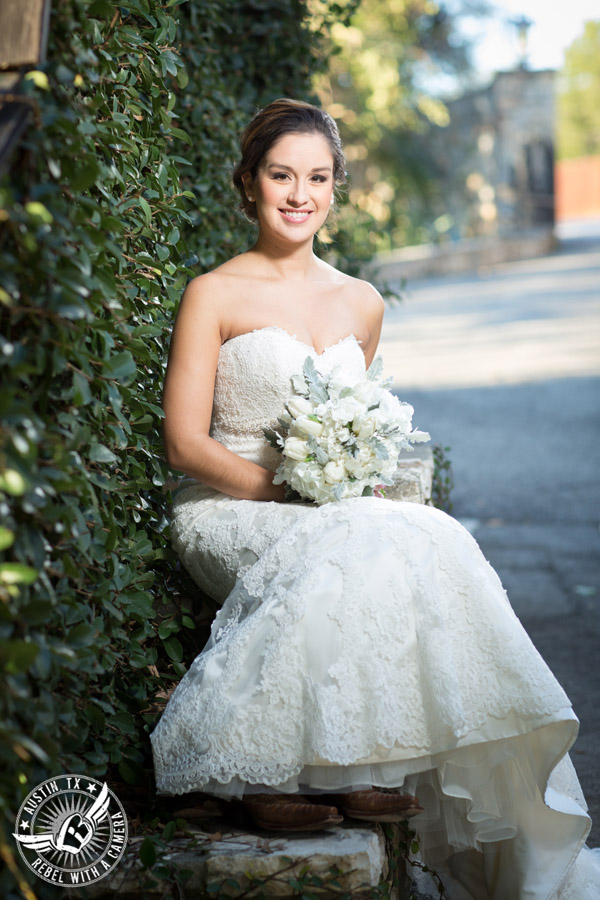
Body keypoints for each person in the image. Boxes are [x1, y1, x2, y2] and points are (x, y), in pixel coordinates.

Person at [151, 99, 600, 898]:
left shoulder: (361, 302)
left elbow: (358, 431)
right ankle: (259, 776)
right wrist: (282, 487)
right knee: (354, 543)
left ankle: (365, 761)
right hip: (226, 504)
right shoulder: (211, 294)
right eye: (282, 175)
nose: (300, 194)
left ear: (336, 188)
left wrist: (342, 474)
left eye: (317, 178)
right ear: (249, 183)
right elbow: (184, 445)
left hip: (330, 508)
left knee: (433, 539)